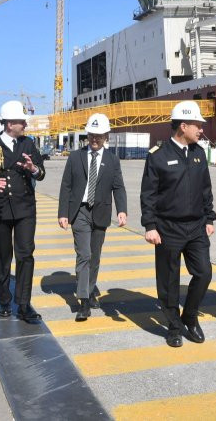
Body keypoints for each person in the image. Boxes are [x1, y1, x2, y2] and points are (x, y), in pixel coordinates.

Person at [140, 101, 215, 347]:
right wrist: (149, 225)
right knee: (169, 280)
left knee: (204, 273)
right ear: (183, 126)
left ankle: (189, 318)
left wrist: (209, 217)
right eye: (197, 125)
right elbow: (148, 194)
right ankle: (173, 325)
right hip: (167, 228)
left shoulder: (199, 153)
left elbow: (206, 189)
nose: (201, 129)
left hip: (196, 227)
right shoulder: (158, 156)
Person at [0, 100, 46, 324]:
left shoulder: (29, 145)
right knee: (2, 257)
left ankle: (23, 304)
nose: (25, 125)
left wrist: (33, 169)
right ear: (10, 123)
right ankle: (4, 301)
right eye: (22, 121)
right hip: (0, 208)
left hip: (25, 208)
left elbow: (41, 173)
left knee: (25, 255)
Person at [57, 113, 127, 321]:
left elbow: (118, 187)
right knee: (84, 255)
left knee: (95, 256)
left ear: (106, 136)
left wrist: (121, 210)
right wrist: (63, 213)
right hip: (80, 212)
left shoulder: (112, 160)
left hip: (101, 212)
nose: (95, 139)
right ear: (87, 135)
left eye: (99, 136)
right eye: (91, 135)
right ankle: (84, 301)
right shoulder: (75, 157)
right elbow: (66, 186)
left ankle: (89, 287)